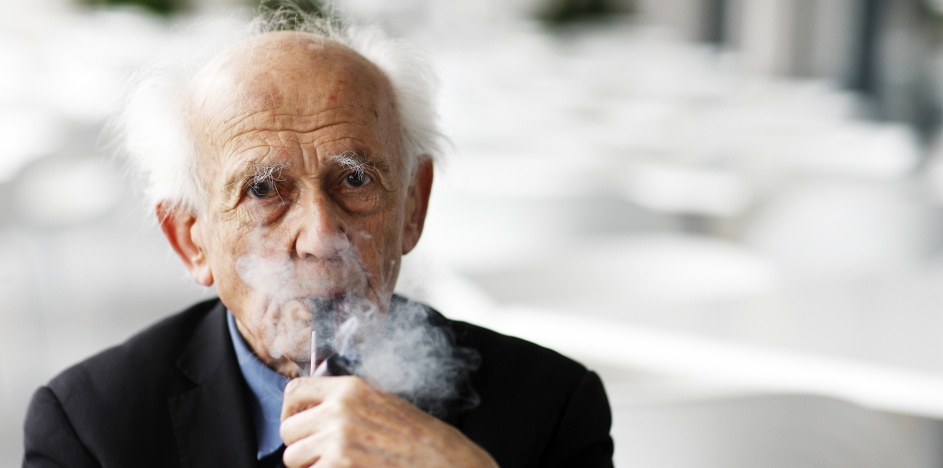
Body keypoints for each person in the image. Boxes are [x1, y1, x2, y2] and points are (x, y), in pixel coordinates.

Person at [23, 8, 613, 467]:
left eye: (355, 180)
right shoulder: (91, 428)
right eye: (262, 190)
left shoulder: (552, 408)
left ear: (413, 206)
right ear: (190, 240)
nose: (322, 237)